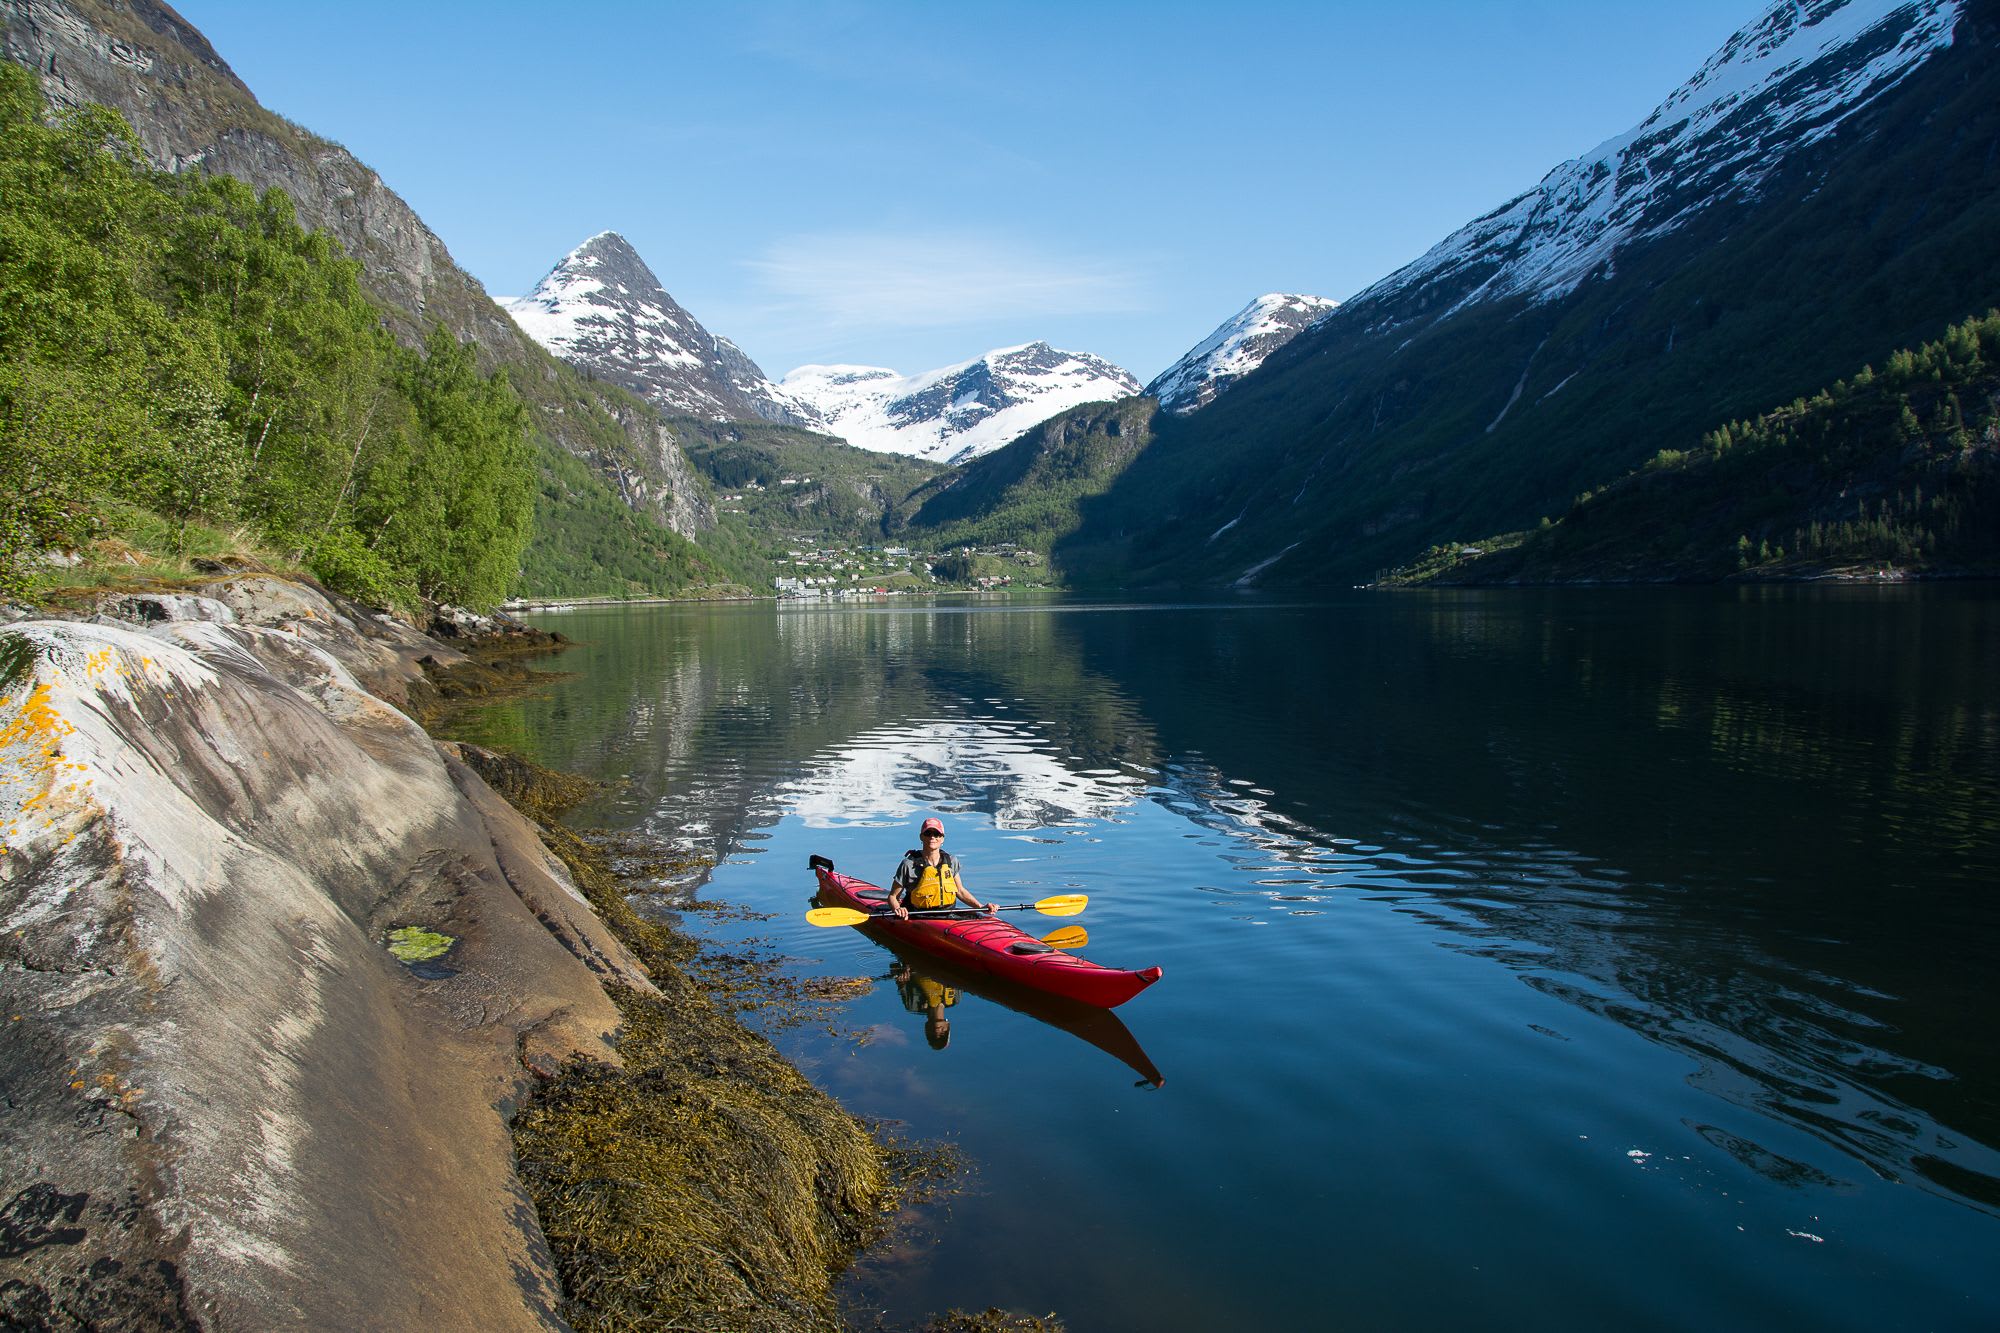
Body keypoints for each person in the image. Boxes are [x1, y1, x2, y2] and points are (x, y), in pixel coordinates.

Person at [887, 816, 992, 920]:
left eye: (937, 834)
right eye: (928, 833)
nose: (932, 837)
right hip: (918, 916)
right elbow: (893, 897)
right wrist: (898, 909)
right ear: (921, 837)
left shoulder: (951, 861)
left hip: (948, 914)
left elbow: (960, 891)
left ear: (942, 839)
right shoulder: (909, 864)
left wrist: (981, 907)